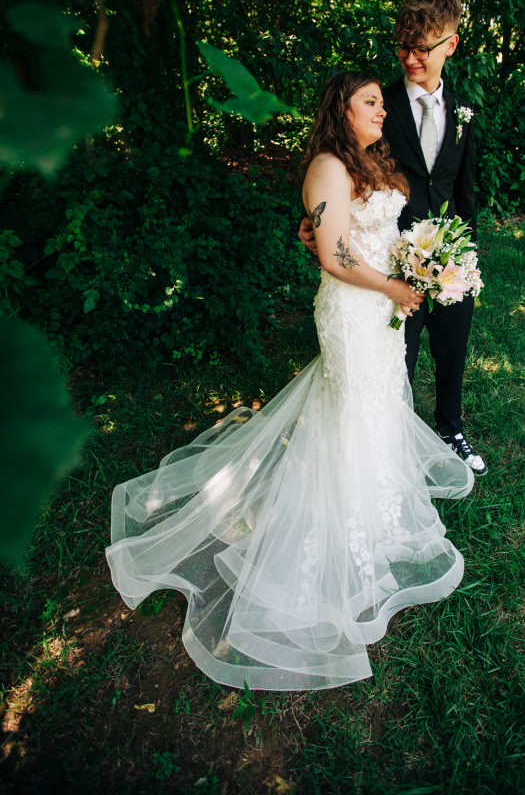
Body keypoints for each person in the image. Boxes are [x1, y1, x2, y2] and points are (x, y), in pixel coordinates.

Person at [106, 71, 473, 692]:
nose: (383, 110)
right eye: (370, 102)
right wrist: (389, 284)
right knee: (350, 406)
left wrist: (419, 266)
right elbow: (333, 254)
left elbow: (366, 234)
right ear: (342, 109)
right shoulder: (328, 165)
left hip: (382, 309)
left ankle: (378, 515)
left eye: (383, 101)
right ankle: (338, 531)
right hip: (354, 311)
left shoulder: (372, 160)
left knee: (379, 403)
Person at [300, 0, 487, 477]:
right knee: (392, 361)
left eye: (422, 47)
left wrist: (465, 254)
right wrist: (315, 226)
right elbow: (343, 176)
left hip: (450, 258)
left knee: (453, 346)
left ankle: (451, 426)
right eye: (404, 46)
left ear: (452, 45)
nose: (410, 57)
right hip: (390, 260)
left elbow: (464, 186)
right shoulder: (375, 107)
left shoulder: (464, 110)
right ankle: (390, 442)